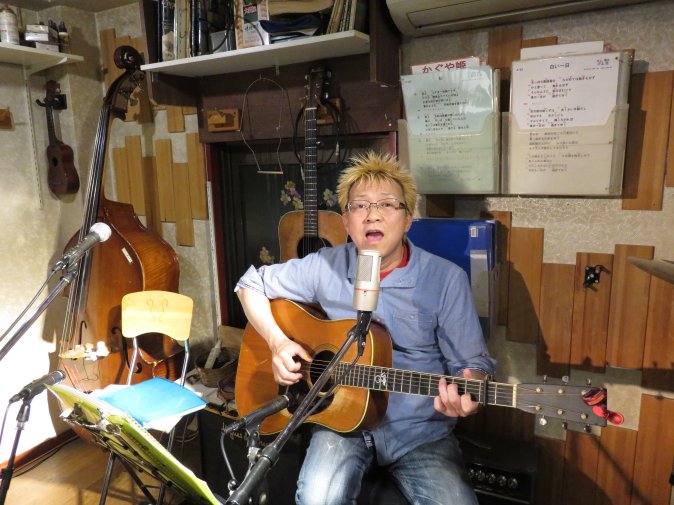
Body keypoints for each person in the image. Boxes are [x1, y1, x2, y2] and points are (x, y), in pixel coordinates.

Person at [235, 151, 495, 505]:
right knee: (316, 498)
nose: (373, 214)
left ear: (407, 219)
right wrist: (278, 343)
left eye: (387, 204)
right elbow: (249, 284)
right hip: (341, 424)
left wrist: (469, 392)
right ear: (346, 221)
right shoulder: (324, 266)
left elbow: (472, 365)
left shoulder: (446, 279)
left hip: (419, 433)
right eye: (360, 206)